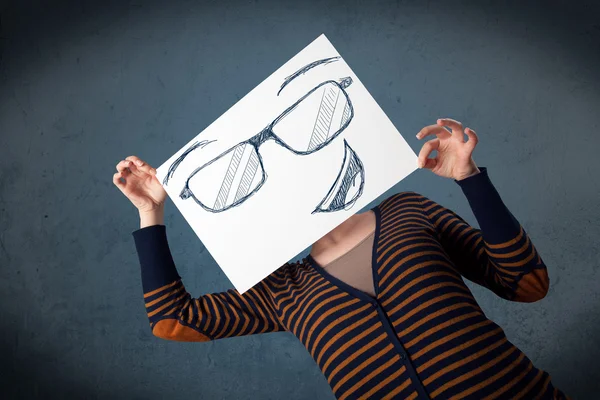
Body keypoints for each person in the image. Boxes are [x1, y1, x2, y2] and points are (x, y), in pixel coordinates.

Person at [114, 118, 569, 399]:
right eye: (242, 176)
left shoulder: (408, 209)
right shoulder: (280, 289)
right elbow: (172, 320)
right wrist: (151, 211)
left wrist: (470, 178)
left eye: (304, 132)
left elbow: (526, 282)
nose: (286, 164)